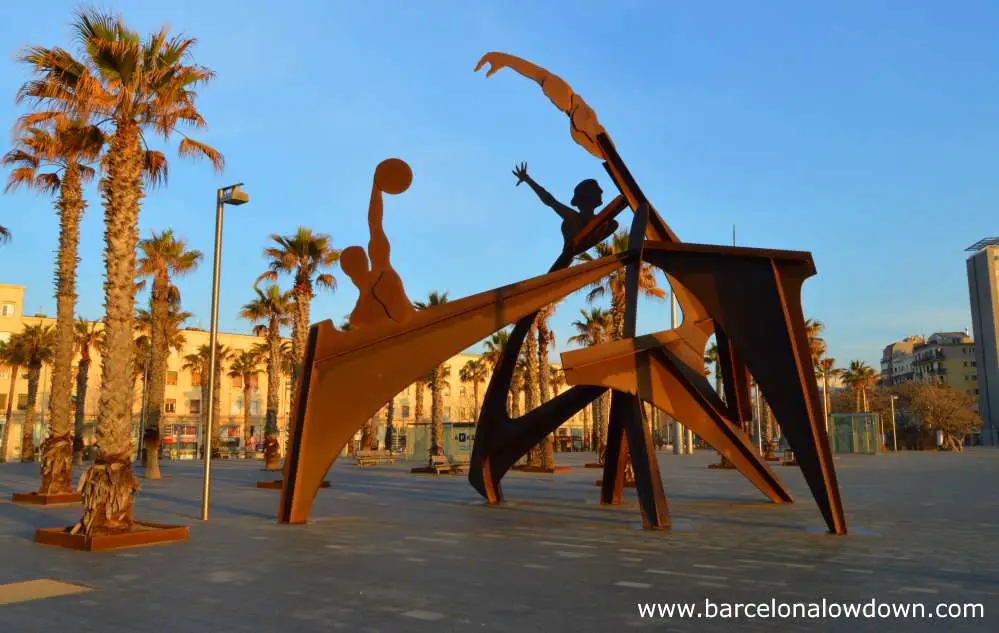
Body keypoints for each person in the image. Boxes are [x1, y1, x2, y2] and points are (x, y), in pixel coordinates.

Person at [342, 158, 417, 328]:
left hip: (407, 331)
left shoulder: (358, 313)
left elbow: (374, 223)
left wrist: (376, 190)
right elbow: (374, 224)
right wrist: (376, 188)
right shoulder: (380, 269)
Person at [512, 162, 618, 257]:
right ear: (585, 196)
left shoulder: (608, 224)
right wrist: (528, 179)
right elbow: (550, 200)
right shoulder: (573, 218)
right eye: (596, 189)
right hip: (564, 262)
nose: (601, 191)